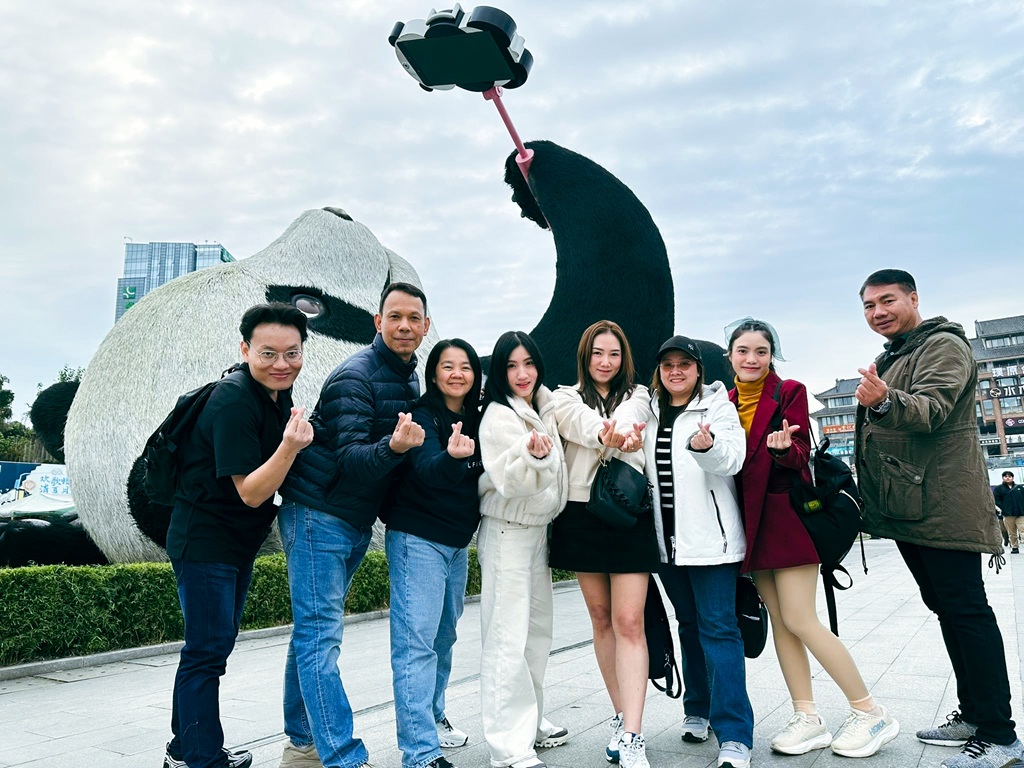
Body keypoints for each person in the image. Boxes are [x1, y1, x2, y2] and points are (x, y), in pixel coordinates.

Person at [855, 269, 1022, 768]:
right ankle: (974, 716)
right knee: (950, 610)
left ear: (913, 298)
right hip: (914, 504)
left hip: (944, 503)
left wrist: (884, 399)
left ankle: (1000, 735)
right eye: (869, 306)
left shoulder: (943, 345)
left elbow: (931, 409)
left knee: (967, 612)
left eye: (887, 300)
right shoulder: (899, 353)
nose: (878, 312)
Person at [726, 317, 899, 759]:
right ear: (730, 356)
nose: (752, 359)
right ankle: (807, 717)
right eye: (743, 351)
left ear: (772, 356)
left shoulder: (789, 391)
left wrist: (784, 450)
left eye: (761, 351)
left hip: (786, 518)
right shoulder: (725, 402)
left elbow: (802, 453)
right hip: (750, 523)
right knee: (782, 622)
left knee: (801, 619)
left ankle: (870, 711)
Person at [277, 282, 429, 768]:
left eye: (413, 318)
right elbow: (351, 459)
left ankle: (302, 742)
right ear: (377, 322)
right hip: (318, 514)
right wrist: (396, 447)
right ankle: (341, 755)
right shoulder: (355, 376)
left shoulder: (408, 377)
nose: (404, 326)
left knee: (311, 634)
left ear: (426, 327)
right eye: (395, 316)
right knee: (320, 635)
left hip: (349, 517)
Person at [164, 302, 314, 768]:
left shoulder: (275, 394)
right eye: (268, 353)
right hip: (205, 541)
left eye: (292, 353)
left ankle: (185, 750)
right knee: (206, 652)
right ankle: (202, 760)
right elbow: (250, 491)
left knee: (210, 648)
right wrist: (290, 446)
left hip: (231, 544)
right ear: (246, 349)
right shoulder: (234, 400)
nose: (281, 364)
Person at [644, 335, 754, 768]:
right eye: (668, 365)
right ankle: (698, 709)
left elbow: (732, 459)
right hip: (667, 545)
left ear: (697, 370)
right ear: (659, 371)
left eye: (684, 364)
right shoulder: (649, 410)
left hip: (712, 544)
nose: (676, 371)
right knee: (688, 625)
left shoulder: (716, 407)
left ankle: (735, 734)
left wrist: (706, 448)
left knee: (719, 630)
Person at [548, 321, 654, 768]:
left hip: (628, 511)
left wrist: (622, 433)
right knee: (600, 617)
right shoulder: (564, 396)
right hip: (581, 514)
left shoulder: (640, 394)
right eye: (597, 353)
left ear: (623, 357)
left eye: (613, 353)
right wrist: (606, 434)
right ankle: (620, 715)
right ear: (585, 356)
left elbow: (633, 415)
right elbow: (576, 422)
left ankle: (633, 735)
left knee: (629, 620)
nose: (605, 362)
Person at [383, 339, 485, 768]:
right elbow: (426, 469)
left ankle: (433, 715)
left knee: (443, 638)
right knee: (416, 644)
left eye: (465, 366)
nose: (457, 373)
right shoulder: (422, 414)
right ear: (434, 373)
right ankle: (420, 752)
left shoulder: (479, 416)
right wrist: (451, 458)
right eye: (448, 366)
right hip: (418, 539)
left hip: (457, 544)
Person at [477, 330, 570, 768]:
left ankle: (529, 722)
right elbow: (509, 482)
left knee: (535, 635)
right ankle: (508, 746)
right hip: (507, 532)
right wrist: (532, 456)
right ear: (500, 371)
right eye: (512, 365)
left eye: (528, 363)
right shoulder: (498, 415)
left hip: (536, 533)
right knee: (506, 638)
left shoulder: (541, 406)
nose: (522, 373)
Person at [993, 471, 1023, 553]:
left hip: (1020, 514)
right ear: (1003, 478)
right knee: (1011, 532)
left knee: (1023, 529)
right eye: (1005, 476)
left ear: (1012, 478)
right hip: (1007, 514)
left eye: (1009, 476)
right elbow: (996, 500)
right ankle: (1014, 547)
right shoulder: (999, 489)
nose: (1007, 478)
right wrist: (1002, 509)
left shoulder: (1020, 488)